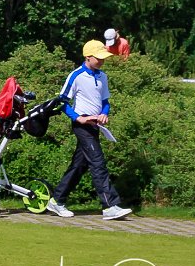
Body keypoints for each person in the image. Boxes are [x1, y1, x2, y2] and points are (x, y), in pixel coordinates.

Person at [45, 39, 132, 221]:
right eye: (98, 58)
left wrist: (104, 114)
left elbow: (105, 102)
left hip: (95, 126)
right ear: (88, 57)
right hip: (82, 126)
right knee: (98, 163)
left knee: (79, 166)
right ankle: (109, 206)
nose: (102, 61)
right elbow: (61, 102)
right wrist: (79, 118)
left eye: (103, 57)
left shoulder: (102, 77)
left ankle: (56, 200)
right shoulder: (76, 76)